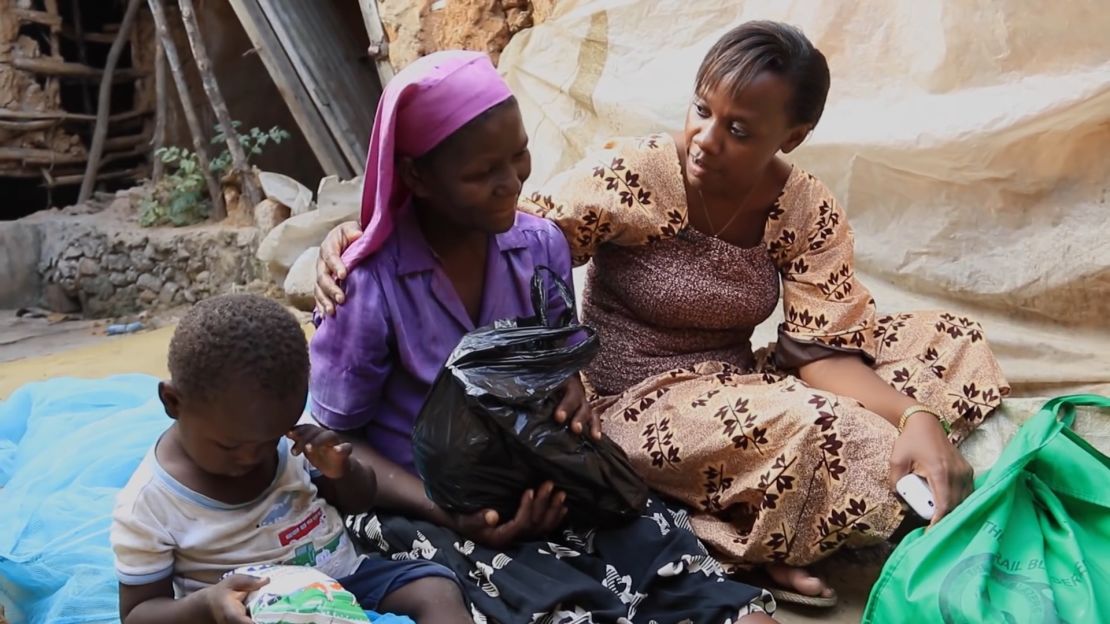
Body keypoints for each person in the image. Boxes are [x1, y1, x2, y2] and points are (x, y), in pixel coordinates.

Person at [314, 22, 1010, 607]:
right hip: (632, 398)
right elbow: (504, 221)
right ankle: (731, 538)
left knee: (947, 341)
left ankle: (751, 517)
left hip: (741, 383)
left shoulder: (803, 210)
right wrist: (362, 231)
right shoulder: (636, 175)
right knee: (833, 430)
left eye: (738, 129)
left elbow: (817, 348)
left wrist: (916, 417)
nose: (706, 138)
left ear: (790, 137)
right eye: (701, 110)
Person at [308, 50, 777, 623]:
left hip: (545, 483)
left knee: (685, 573)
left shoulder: (539, 247)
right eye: (483, 173)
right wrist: (447, 510)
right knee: (551, 602)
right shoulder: (365, 284)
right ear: (416, 177)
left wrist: (570, 388)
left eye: (520, 155)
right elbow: (332, 445)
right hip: (422, 503)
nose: (511, 182)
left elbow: (553, 365)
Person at [110, 294, 469, 624]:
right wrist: (207, 604)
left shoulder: (295, 438)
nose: (253, 456)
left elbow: (359, 501)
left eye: (270, 440)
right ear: (173, 402)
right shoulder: (149, 505)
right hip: (255, 610)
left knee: (435, 588)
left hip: (344, 577)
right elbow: (139, 613)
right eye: (230, 446)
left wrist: (341, 473)